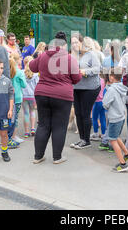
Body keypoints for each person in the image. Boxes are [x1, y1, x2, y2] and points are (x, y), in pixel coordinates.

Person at [29, 31, 82, 164]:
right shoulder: (70, 58)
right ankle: (57, 157)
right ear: (64, 44)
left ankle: (38, 156)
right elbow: (76, 79)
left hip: (42, 93)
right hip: (62, 96)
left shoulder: (43, 56)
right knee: (59, 127)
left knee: (43, 125)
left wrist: (36, 56)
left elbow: (32, 67)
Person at [71, 36, 101, 150]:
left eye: (76, 42)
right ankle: (81, 139)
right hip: (76, 87)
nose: (74, 45)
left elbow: (98, 69)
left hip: (90, 88)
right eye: (72, 43)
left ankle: (87, 140)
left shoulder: (90, 54)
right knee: (77, 113)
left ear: (81, 42)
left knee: (85, 113)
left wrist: (85, 71)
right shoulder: (72, 56)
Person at [103, 67, 128, 172]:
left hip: (114, 117)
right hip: (121, 116)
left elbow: (105, 104)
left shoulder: (111, 89)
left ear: (111, 77)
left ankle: (123, 164)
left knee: (112, 140)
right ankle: (126, 153)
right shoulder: (121, 87)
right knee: (116, 137)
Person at [7, 56, 27, 148]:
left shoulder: (6, 71)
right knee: (15, 118)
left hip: (7, 97)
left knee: (8, 117)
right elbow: (24, 85)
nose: (21, 59)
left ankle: (7, 136)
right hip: (17, 97)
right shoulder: (19, 72)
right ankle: (13, 136)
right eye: (20, 58)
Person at [22, 56, 39, 138]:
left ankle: (26, 132)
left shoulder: (21, 73)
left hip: (24, 96)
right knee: (32, 111)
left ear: (24, 63)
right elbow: (37, 85)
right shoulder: (36, 74)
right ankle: (32, 128)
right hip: (33, 96)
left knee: (25, 113)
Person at [90, 75, 106, 141]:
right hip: (103, 101)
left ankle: (96, 133)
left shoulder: (95, 80)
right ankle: (103, 134)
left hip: (97, 101)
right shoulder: (103, 80)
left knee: (94, 118)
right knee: (102, 118)